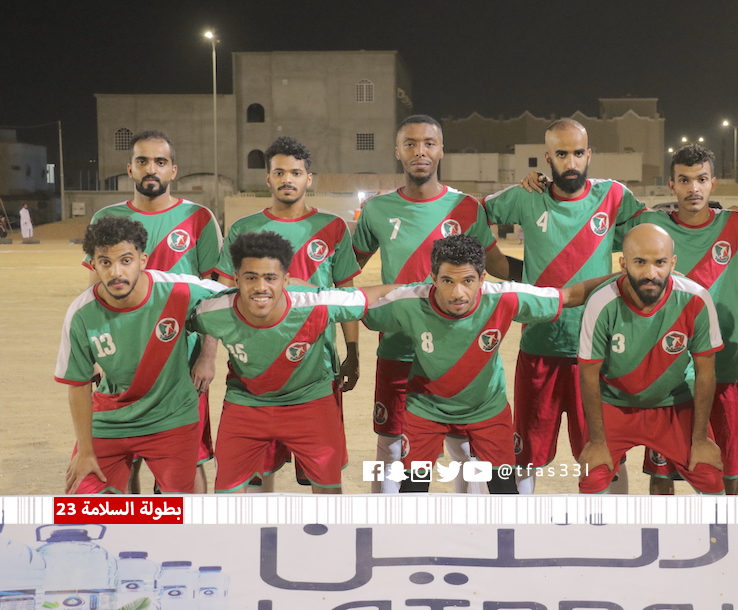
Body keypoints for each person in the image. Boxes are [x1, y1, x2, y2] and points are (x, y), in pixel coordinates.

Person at [363, 234, 611, 494]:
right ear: (433, 278)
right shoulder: (409, 301)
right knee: (412, 489)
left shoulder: (504, 297)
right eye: (447, 281)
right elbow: (361, 307)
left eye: (468, 281)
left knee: (505, 490)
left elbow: (569, 296)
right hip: (426, 408)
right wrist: (392, 290)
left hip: (487, 410)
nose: (458, 293)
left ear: (482, 279)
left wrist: (625, 277)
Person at [482, 118, 646, 494]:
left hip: (597, 351)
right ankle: (517, 527)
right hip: (540, 346)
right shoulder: (528, 195)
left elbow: (649, 237)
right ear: (548, 158)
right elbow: (474, 214)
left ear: (589, 154)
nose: (570, 162)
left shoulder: (614, 196)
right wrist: (510, 270)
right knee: (523, 455)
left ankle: (612, 526)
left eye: (577, 153)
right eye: (561, 154)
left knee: (606, 454)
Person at [352, 114, 511, 494]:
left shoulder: (466, 207)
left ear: (441, 150)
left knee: (465, 448)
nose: (419, 151)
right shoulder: (376, 209)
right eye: (410, 143)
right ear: (397, 151)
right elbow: (346, 270)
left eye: (428, 143)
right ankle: (386, 526)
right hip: (398, 347)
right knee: (390, 445)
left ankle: (466, 528)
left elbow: (499, 268)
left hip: (455, 347)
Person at [614, 145, 738, 495]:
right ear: (672, 185)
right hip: (666, 375)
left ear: (713, 182)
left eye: (701, 179)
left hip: (722, 369)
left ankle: (728, 530)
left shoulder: (736, 225)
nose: (693, 188)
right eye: (684, 180)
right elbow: (594, 234)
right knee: (662, 475)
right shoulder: (651, 226)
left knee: (728, 472)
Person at [192, 232, 396, 493]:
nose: (260, 287)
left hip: (310, 401)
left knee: (329, 491)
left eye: (270, 278)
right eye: (251, 278)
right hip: (246, 404)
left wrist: (433, 295)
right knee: (227, 494)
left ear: (286, 280)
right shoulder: (212, 310)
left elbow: (380, 293)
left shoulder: (314, 302)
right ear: (236, 279)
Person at [213, 136, 361, 490]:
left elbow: (346, 295)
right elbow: (221, 297)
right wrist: (208, 355)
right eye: (279, 172)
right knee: (257, 478)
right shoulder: (243, 229)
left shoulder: (332, 227)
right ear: (268, 178)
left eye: (295, 172)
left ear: (309, 178)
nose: (287, 179)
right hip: (255, 372)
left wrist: (353, 352)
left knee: (324, 478)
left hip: (315, 370)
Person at [84, 130, 223, 493]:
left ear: (173, 170)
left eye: (160, 162)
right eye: (142, 161)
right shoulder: (107, 218)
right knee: (123, 457)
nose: (151, 169)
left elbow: (216, 297)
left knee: (188, 459)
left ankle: (189, 526)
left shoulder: (198, 218)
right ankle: (135, 526)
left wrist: (208, 356)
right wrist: (94, 355)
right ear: (129, 169)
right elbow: (93, 293)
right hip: (121, 358)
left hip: (182, 360)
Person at [55, 217, 226, 494]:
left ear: (142, 260)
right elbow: (77, 384)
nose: (116, 272)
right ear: (94, 265)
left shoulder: (177, 290)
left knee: (181, 508)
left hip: (170, 418)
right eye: (105, 262)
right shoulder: (81, 313)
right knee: (84, 505)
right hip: (111, 420)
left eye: (126, 260)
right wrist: (85, 452)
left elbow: (239, 298)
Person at [577, 224, 725, 495]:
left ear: (673, 263)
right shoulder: (601, 302)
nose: (650, 273)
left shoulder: (696, 299)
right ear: (623, 264)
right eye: (640, 262)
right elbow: (588, 374)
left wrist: (701, 438)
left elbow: (705, 372)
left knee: (710, 477)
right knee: (592, 480)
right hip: (615, 405)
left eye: (660, 263)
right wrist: (597, 441)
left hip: (674, 404)